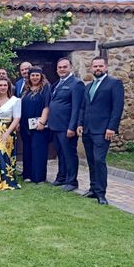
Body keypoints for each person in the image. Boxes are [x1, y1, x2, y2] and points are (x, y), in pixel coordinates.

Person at [78, 56, 125, 205]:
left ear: (105, 67)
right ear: (91, 68)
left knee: (99, 160)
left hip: (103, 130)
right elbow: (83, 107)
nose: (97, 69)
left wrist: (112, 127)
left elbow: (117, 108)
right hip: (88, 130)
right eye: (95, 66)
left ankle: (101, 193)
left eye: (100, 66)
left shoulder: (114, 84)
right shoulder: (88, 86)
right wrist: (80, 124)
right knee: (91, 161)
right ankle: (93, 188)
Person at [48, 58, 85, 191]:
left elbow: (77, 107)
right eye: (60, 67)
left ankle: (72, 181)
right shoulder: (57, 83)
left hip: (66, 127)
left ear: (71, 68)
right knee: (61, 153)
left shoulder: (76, 84)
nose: (62, 69)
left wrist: (72, 127)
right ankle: (61, 177)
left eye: (64, 67)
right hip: (55, 126)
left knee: (69, 154)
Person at [19, 66, 51, 184]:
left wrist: (42, 121)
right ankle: (28, 175)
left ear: (41, 76)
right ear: (29, 76)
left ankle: (39, 177)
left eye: (37, 75)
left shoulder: (46, 88)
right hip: (25, 124)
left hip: (39, 124)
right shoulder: (26, 89)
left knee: (38, 149)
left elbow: (47, 106)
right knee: (27, 149)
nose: (35, 77)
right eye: (32, 75)